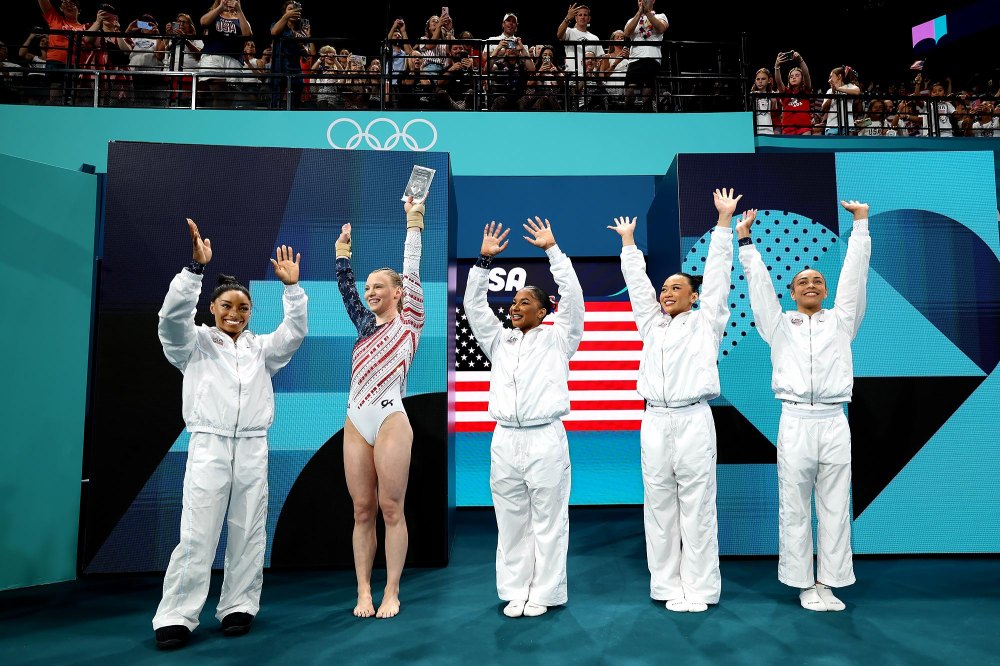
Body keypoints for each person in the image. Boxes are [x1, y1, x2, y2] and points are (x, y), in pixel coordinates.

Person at [153, 219, 308, 649]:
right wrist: (194, 272)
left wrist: (292, 291)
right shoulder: (195, 343)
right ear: (212, 309)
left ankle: (239, 604)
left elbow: (294, 333)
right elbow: (170, 321)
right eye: (226, 306)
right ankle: (177, 615)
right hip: (210, 445)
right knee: (198, 532)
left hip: (254, 447)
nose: (235, 314)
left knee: (248, 530)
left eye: (242, 307)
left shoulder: (261, 350)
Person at [608, 190, 745, 613]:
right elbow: (637, 288)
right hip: (654, 422)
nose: (666, 292)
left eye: (676, 287)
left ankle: (700, 588)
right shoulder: (651, 326)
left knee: (698, 505)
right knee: (659, 504)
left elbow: (719, 277)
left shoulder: (707, 324)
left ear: (693, 297)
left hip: (692, 420)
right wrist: (629, 245)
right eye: (665, 287)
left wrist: (724, 224)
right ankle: (666, 584)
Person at [737, 200, 872, 612]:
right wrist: (745, 240)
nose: (811, 284)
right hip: (795, 420)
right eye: (803, 281)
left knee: (835, 505)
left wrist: (861, 226)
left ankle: (829, 581)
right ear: (792, 293)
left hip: (833, 421)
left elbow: (854, 278)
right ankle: (801, 582)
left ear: (825, 291)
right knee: (794, 505)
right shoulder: (777, 325)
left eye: (817, 280)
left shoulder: (842, 321)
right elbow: (758, 287)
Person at [464, 217, 584, 618]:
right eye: (513, 302)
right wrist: (483, 262)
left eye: (524, 302)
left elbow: (574, 297)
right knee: (511, 520)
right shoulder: (499, 339)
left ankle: (546, 593)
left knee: (549, 520)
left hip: (545, 438)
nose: (514, 306)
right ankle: (516, 590)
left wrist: (553, 251)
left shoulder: (559, 337)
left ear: (544, 308)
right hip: (504, 439)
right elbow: (472, 305)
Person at [335, 198, 426, 619]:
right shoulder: (363, 324)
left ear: (398, 293)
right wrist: (342, 255)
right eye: (367, 287)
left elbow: (412, 266)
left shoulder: (409, 321)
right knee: (361, 509)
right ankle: (363, 590)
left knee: (391, 508)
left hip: (391, 418)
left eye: (378, 286)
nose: (370, 292)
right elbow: (345, 290)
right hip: (356, 418)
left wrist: (413, 218)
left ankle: (391, 590)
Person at [199, 0, 253, 108]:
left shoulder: (239, 17)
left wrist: (239, 10)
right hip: (213, 57)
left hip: (234, 59)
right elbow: (203, 22)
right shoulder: (215, 14)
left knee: (229, 96)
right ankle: (216, 121)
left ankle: (224, 121)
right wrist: (219, 8)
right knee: (218, 93)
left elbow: (248, 34)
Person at [37, 0, 87, 103]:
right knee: (55, 95)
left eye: (73, 3)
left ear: (79, 11)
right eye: (65, 3)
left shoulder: (85, 28)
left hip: (77, 65)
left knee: (76, 96)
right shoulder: (55, 19)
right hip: (56, 62)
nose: (69, 5)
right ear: (60, 8)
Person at [623, 0, 668, 111]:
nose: (642, 1)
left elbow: (661, 28)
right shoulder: (632, 19)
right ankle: (628, 120)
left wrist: (647, 12)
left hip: (652, 59)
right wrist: (639, 13)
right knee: (629, 93)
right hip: (635, 60)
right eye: (639, 0)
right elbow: (627, 33)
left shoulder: (660, 16)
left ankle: (648, 122)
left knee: (647, 95)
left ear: (653, 0)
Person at [556, 4, 604, 80]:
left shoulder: (595, 38)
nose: (582, 17)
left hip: (590, 78)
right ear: (576, 18)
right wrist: (567, 18)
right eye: (580, 15)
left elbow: (600, 58)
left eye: (585, 15)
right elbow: (559, 35)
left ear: (589, 19)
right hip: (572, 75)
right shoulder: (569, 31)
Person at [774, 51, 812, 135]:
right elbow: (778, 81)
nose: (793, 77)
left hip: (804, 128)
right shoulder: (785, 91)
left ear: (802, 79)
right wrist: (777, 66)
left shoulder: (806, 90)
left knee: (805, 148)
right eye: (791, 76)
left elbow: (806, 74)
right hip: (788, 129)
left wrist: (800, 59)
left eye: (797, 75)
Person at [819, 66, 861, 135]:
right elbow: (823, 108)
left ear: (839, 76)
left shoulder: (849, 86)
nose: (829, 80)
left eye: (831, 77)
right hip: (831, 127)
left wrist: (838, 89)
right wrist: (833, 93)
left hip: (848, 126)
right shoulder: (829, 91)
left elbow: (857, 91)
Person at [750, 67, 778, 135]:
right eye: (758, 79)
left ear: (769, 80)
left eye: (763, 79)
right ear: (755, 81)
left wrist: (773, 100)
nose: (760, 81)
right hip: (755, 129)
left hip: (768, 130)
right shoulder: (752, 94)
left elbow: (774, 111)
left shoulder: (772, 94)